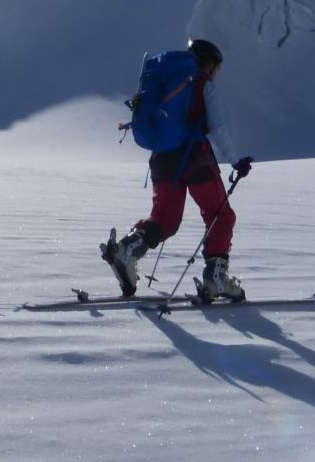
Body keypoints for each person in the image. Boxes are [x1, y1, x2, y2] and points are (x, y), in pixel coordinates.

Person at [102, 37, 254, 301]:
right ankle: (216, 278)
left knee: (165, 219)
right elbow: (217, 127)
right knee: (221, 215)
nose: (217, 74)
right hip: (195, 157)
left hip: (162, 158)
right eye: (217, 67)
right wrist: (235, 160)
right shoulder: (202, 83)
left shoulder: (165, 82)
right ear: (208, 64)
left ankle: (127, 250)